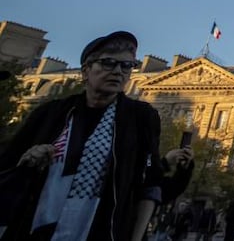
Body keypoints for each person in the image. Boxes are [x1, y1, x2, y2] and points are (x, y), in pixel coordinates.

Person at [0, 30, 194, 240]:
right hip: (36, 227)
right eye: (108, 63)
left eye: (127, 66)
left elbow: (148, 183)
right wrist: (27, 162)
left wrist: (181, 171)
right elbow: (8, 169)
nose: (118, 71)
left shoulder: (141, 118)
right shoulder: (51, 113)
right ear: (86, 71)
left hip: (100, 230)